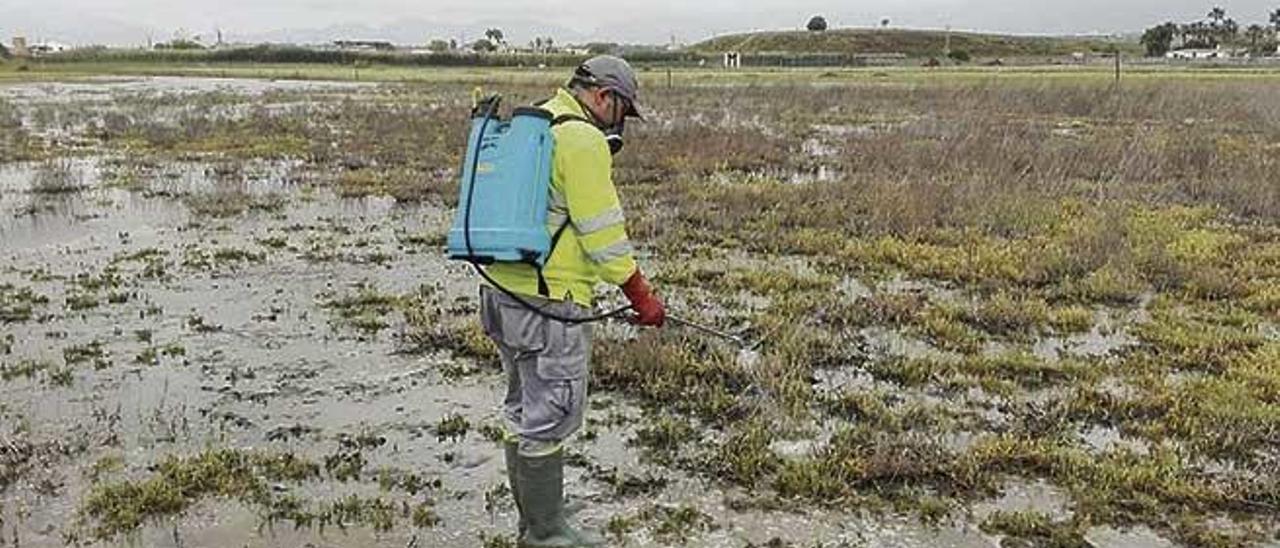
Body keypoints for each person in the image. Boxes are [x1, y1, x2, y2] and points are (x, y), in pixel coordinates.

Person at [479, 55, 665, 547]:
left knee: (522, 408)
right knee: (551, 412)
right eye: (622, 110)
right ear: (603, 97)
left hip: (502, 295)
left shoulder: (535, 123)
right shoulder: (581, 139)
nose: (621, 122)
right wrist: (640, 293)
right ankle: (545, 534)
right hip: (549, 304)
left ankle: (533, 523)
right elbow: (603, 233)